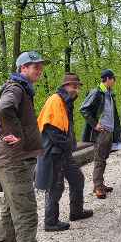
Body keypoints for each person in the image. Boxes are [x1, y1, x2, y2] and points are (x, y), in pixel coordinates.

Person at [0, 51, 57, 242]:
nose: (39, 70)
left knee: (11, 210)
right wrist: (17, 134)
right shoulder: (17, 88)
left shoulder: (22, 88)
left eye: (40, 66)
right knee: (27, 212)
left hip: (13, 159)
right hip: (14, 160)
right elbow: (3, 108)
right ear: (23, 69)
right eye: (34, 67)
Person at [36, 73, 93, 232]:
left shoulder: (66, 101)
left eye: (77, 87)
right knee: (56, 186)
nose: (76, 89)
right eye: (74, 86)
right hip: (54, 152)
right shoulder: (56, 100)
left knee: (77, 178)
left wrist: (69, 146)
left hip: (63, 152)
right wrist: (68, 145)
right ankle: (50, 222)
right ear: (65, 86)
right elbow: (52, 130)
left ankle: (76, 212)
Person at [80, 69, 121, 199]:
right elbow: (84, 109)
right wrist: (95, 124)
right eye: (113, 78)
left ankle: (100, 184)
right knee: (99, 159)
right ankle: (97, 187)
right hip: (101, 132)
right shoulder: (97, 92)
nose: (114, 81)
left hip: (109, 130)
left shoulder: (109, 93)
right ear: (108, 79)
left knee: (103, 158)